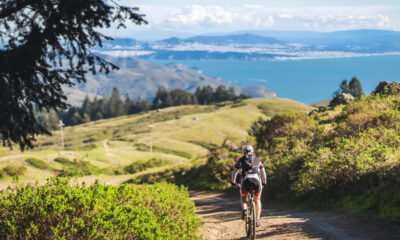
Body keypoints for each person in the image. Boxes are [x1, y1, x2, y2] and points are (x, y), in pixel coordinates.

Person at [231, 145, 267, 227]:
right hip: (257, 182)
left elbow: (235, 172)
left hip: (246, 181)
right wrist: (264, 182)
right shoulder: (258, 160)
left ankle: (244, 210)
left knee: (243, 197)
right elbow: (263, 173)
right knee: (257, 200)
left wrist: (233, 181)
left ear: (244, 152)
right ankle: (257, 219)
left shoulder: (241, 160)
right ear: (253, 151)